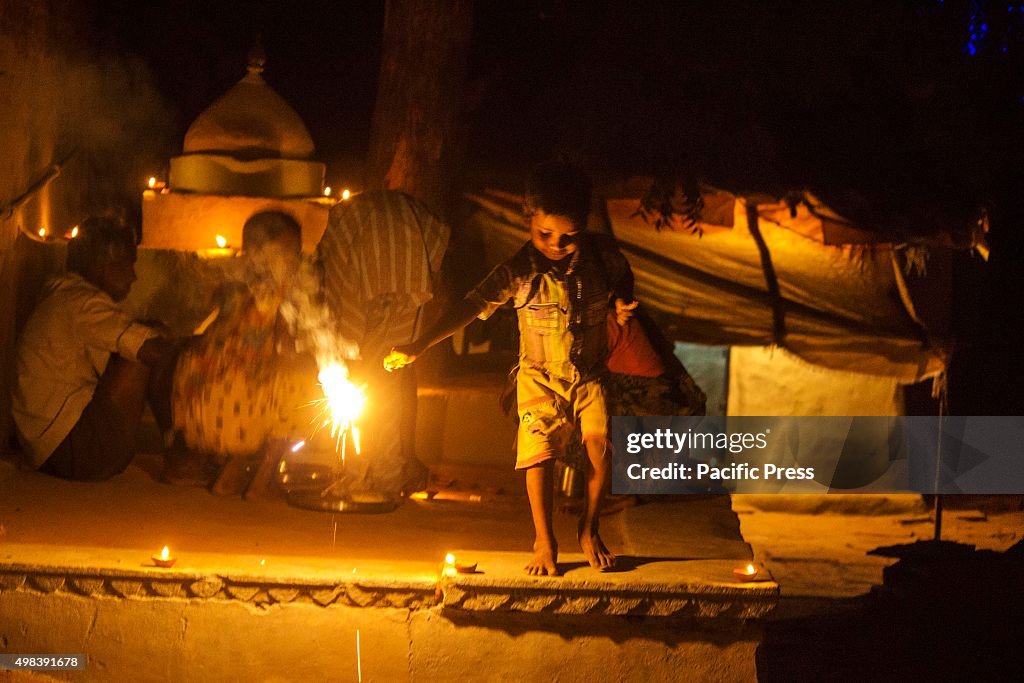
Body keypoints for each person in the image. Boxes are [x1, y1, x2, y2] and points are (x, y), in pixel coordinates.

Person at [385, 161, 636, 575]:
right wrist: (419, 345)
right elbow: (469, 306)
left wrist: (620, 301)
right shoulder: (519, 272)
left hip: (590, 375)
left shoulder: (603, 259)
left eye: (568, 238)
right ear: (528, 220)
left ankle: (589, 529)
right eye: (545, 235)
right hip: (538, 377)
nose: (556, 245)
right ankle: (544, 538)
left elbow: (623, 278)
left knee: (600, 450)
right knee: (539, 455)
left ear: (585, 227)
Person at [11, 215, 181, 481]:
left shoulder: (66, 294)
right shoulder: (82, 303)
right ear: (104, 267)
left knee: (149, 337)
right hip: (73, 452)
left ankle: (176, 449)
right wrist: (201, 356)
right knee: (149, 350)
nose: (134, 277)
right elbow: (150, 349)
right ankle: (177, 452)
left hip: (46, 450)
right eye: (128, 266)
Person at [172, 210, 327, 498]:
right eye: (288, 253)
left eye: (296, 253)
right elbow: (287, 345)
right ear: (257, 253)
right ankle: (265, 475)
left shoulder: (235, 283)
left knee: (261, 384)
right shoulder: (275, 292)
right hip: (235, 396)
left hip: (204, 392)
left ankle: (231, 473)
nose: (295, 260)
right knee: (301, 381)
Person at [317, 190, 449, 503]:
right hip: (408, 274)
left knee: (364, 377)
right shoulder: (366, 226)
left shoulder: (352, 232)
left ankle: (363, 474)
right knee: (382, 379)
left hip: (394, 273)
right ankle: (382, 476)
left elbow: (345, 338)